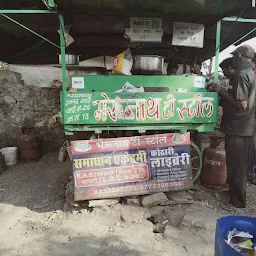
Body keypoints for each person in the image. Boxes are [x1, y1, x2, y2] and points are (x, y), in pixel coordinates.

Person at [212, 45, 256, 208]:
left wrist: (221, 91)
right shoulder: (250, 74)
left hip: (239, 127)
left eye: (235, 57)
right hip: (244, 126)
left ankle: (237, 202)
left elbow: (242, 104)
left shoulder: (241, 75)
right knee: (239, 164)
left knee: (237, 165)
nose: (234, 60)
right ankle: (233, 193)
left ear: (239, 57)